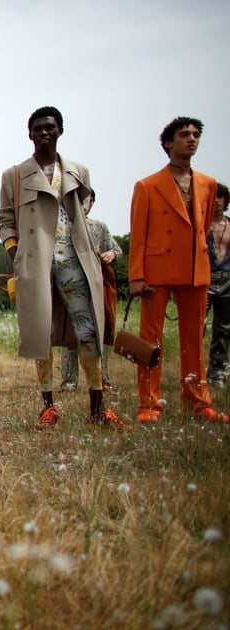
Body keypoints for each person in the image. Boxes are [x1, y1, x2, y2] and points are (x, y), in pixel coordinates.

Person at [0, 106, 124, 431]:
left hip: (74, 262)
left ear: (60, 131)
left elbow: (80, 216)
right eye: (38, 127)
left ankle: (97, 407)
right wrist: (17, 254)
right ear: (30, 134)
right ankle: (48, 406)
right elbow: (6, 221)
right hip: (35, 264)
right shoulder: (14, 175)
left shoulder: (79, 172)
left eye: (50, 127)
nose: (44, 132)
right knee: (41, 333)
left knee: (89, 330)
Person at [129, 116, 228, 423]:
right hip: (157, 269)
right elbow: (138, 233)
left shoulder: (208, 185)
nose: (192, 139)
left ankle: (198, 400)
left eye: (196, 134)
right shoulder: (147, 186)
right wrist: (136, 276)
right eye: (184, 134)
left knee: (194, 337)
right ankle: (149, 403)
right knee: (150, 340)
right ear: (168, 143)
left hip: (195, 269)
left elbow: (203, 229)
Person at [59, 189, 122, 392]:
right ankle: (69, 382)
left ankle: (102, 379)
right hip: (70, 284)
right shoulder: (63, 226)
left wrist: (111, 254)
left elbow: (117, 250)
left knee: (98, 334)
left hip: (96, 285)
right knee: (70, 336)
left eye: (86, 200)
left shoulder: (99, 227)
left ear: (92, 202)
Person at [206, 182, 230, 388]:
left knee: (223, 329)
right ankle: (193, 373)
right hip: (205, 278)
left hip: (227, 279)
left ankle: (218, 372)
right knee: (196, 327)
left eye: (220, 197)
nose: (217, 201)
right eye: (213, 197)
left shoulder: (229, 225)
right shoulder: (201, 226)